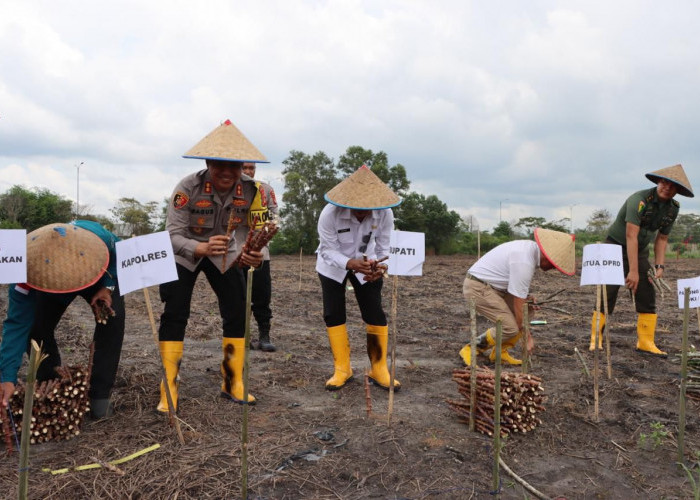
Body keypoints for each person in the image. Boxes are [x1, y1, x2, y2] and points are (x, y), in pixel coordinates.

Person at [158, 119, 266, 410]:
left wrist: (255, 252)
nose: (228, 172)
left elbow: (259, 231)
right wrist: (200, 247)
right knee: (175, 312)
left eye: (235, 166)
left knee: (237, 310)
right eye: (221, 165)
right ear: (208, 163)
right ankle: (168, 385)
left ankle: (232, 379)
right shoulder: (187, 187)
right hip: (185, 253)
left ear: (243, 165)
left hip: (225, 254)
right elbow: (172, 234)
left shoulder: (256, 191)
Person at [0, 221, 125, 420]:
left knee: (111, 321)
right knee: (36, 329)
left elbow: (121, 256)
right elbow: (16, 324)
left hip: (95, 275)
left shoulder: (102, 240)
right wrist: (6, 376)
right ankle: (50, 381)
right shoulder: (23, 270)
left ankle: (99, 395)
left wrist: (108, 286)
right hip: (47, 284)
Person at [590, 164, 694, 357]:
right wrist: (633, 271)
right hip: (613, 247)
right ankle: (596, 339)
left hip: (640, 251)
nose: (667, 187)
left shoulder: (672, 209)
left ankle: (645, 342)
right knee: (608, 292)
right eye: (664, 182)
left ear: (677, 190)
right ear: (658, 182)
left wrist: (659, 266)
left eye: (672, 186)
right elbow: (631, 236)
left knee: (647, 290)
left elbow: (662, 239)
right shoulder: (639, 200)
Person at [316, 165, 401, 391]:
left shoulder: (385, 213)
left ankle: (379, 368)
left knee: (374, 312)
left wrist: (380, 268)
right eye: (356, 209)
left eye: (366, 209)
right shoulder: (329, 214)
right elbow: (327, 250)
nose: (361, 213)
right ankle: (343, 369)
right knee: (333, 313)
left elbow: (386, 246)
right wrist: (350, 264)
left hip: (369, 263)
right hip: (332, 266)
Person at [459, 228, 575, 366]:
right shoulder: (524, 261)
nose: (553, 268)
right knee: (510, 327)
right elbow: (518, 301)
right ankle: (472, 348)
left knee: (528, 310)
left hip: (495, 287)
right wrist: (527, 337)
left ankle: (500, 353)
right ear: (547, 256)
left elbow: (518, 292)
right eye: (553, 264)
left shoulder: (529, 251)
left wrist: (527, 298)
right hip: (477, 287)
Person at [238, 161, 279, 352]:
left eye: (251, 168)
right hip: (235, 251)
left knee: (262, 295)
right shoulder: (231, 189)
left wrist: (267, 233)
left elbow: (274, 216)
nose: (248, 171)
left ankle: (264, 335)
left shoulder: (266, 189)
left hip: (260, 252)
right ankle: (240, 336)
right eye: (244, 168)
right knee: (236, 296)